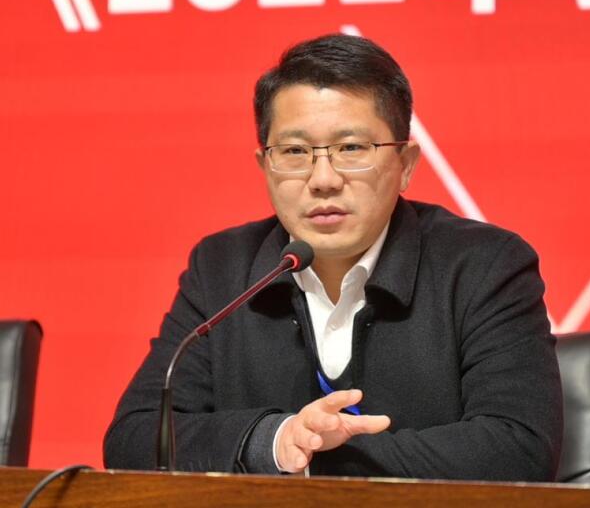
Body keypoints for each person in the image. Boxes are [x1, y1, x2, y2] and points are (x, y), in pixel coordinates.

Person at [104, 34, 563, 480]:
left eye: (351, 149)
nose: (323, 179)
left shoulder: (485, 265)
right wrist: (275, 440)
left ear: (405, 165)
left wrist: (311, 459)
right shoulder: (221, 269)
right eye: (295, 152)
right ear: (265, 167)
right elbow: (136, 438)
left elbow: (518, 447)